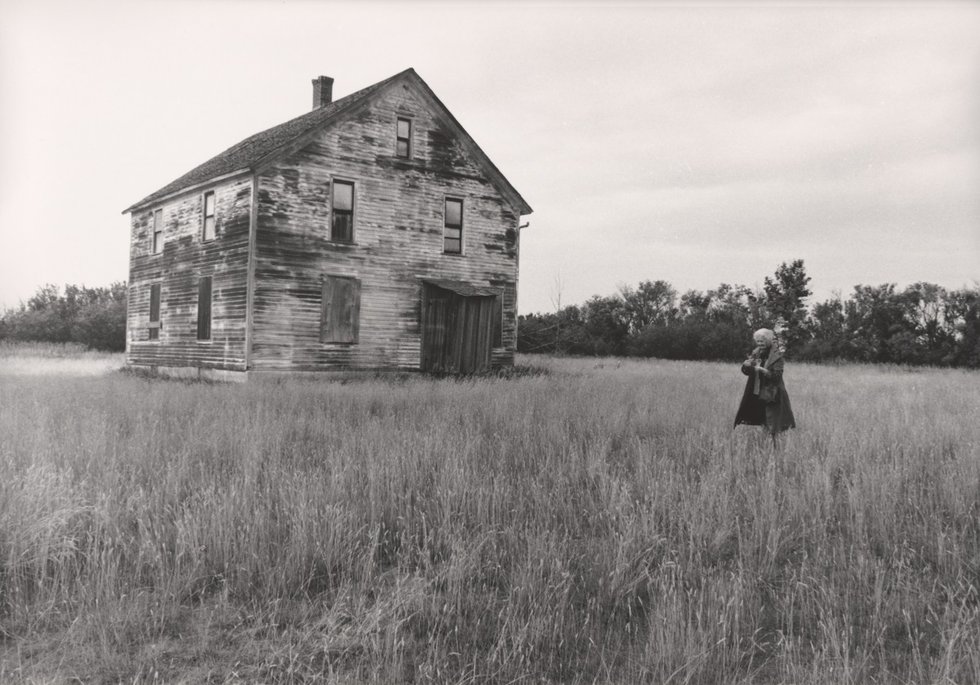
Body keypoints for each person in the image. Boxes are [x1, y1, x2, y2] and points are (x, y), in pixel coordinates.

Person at [733, 328, 796, 440]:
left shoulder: (777, 356)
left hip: (772, 393)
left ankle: (775, 446)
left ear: (768, 341)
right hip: (757, 392)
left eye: (762, 341)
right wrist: (746, 366)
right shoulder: (756, 353)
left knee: (773, 422)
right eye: (758, 341)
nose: (759, 344)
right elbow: (748, 372)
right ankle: (766, 443)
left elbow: (776, 376)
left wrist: (762, 370)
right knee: (763, 419)